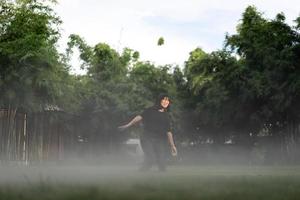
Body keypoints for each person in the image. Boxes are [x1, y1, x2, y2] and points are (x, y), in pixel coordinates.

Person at [118, 94, 177, 171]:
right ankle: (141, 174)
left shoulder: (166, 116)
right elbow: (139, 117)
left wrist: (172, 146)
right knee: (151, 158)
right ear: (159, 101)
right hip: (147, 138)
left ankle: (161, 179)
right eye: (164, 99)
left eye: (167, 100)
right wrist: (127, 125)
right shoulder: (150, 110)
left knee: (162, 163)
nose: (166, 102)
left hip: (160, 140)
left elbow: (168, 132)